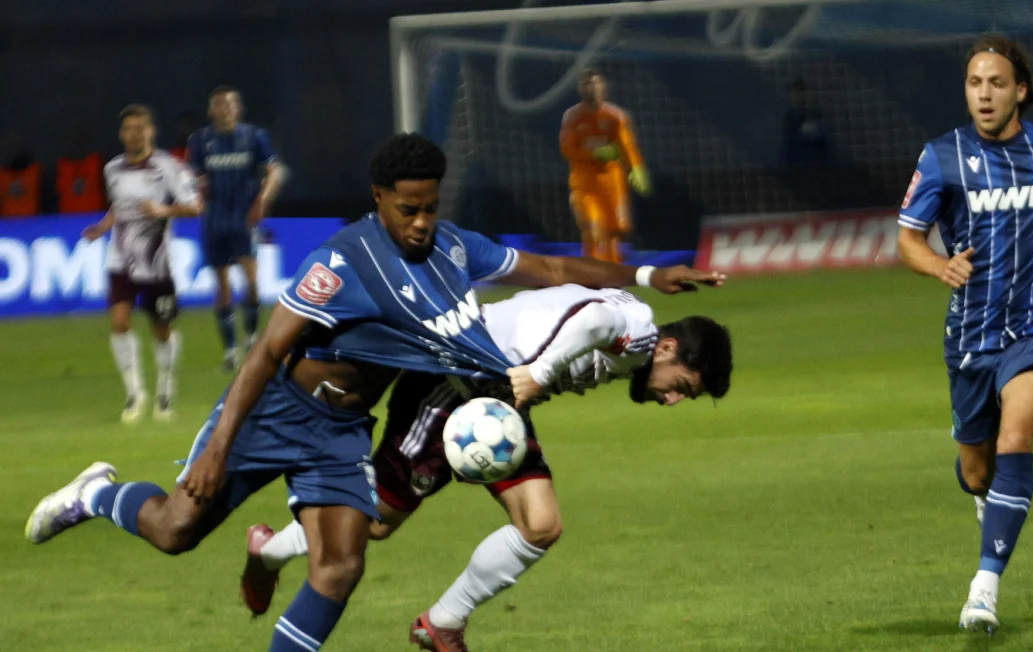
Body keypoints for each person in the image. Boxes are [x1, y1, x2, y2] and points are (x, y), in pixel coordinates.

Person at [25, 133, 723, 652]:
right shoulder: (341, 263)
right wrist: (218, 449)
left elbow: (547, 265)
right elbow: (268, 350)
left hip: (341, 431)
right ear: (379, 199)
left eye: (429, 207)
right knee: (175, 530)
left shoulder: (452, 248)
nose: (421, 222)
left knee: (341, 566)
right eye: (408, 209)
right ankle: (93, 494)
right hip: (278, 409)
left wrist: (641, 275)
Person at [239, 284, 733, 651]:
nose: (671, 399)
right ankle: (269, 551)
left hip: (496, 411)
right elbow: (593, 320)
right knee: (372, 522)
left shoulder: (639, 333)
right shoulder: (642, 334)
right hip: (450, 385)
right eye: (681, 386)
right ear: (668, 349)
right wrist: (540, 374)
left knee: (540, 525)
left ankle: (444, 622)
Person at [895, 35, 1033, 635]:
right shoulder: (942, 157)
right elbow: (908, 239)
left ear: (1020, 90)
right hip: (971, 333)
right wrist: (939, 265)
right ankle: (986, 497)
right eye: (975, 83)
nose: (984, 94)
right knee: (977, 469)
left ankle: (983, 589)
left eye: (996, 83)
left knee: (1018, 435)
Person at [81, 104, 201, 422]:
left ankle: (165, 390)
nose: (135, 133)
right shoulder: (112, 169)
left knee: (162, 329)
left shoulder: (170, 167)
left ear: (152, 130)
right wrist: (102, 228)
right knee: (120, 322)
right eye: (129, 128)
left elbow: (195, 206)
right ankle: (135, 394)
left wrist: (164, 211)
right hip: (120, 259)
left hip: (156, 263)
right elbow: (118, 209)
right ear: (122, 134)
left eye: (141, 127)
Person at [187, 86, 287, 370]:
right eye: (219, 104)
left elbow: (275, 172)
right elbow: (192, 177)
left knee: (252, 281)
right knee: (222, 286)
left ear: (239, 108)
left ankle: (252, 336)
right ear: (211, 110)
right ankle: (230, 350)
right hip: (214, 221)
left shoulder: (254, 137)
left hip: (244, 220)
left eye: (230, 103)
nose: (226, 108)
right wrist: (195, 194)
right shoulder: (200, 140)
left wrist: (263, 200)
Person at [560, 69, 651, 264]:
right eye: (586, 84)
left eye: (595, 83)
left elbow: (628, 147)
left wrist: (637, 169)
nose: (591, 88)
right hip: (584, 184)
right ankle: (593, 274)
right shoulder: (573, 117)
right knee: (592, 229)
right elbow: (567, 150)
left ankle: (612, 276)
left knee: (614, 233)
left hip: (612, 183)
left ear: (603, 87)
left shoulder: (616, 116)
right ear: (580, 89)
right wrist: (594, 153)